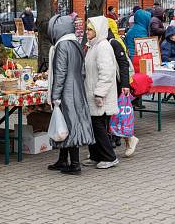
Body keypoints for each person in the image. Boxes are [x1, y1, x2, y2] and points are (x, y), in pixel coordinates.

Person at [46, 14, 95, 175]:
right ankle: (62, 159)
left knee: (69, 124)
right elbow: (82, 70)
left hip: (67, 90)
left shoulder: (62, 46)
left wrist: (55, 95)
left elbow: (60, 72)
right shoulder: (75, 43)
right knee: (68, 123)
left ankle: (74, 164)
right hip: (77, 87)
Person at [83, 17, 120, 170]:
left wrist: (99, 93)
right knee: (93, 125)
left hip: (99, 96)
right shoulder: (93, 46)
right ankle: (95, 155)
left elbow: (107, 73)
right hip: (92, 94)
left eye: (90, 29)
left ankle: (109, 156)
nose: (87, 32)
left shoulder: (103, 47)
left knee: (98, 126)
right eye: (87, 29)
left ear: (97, 31)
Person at [107, 18, 137, 156]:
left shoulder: (114, 43)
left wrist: (125, 85)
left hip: (116, 84)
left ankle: (129, 139)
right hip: (108, 84)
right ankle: (107, 144)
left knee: (117, 116)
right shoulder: (98, 43)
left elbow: (123, 63)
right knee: (111, 116)